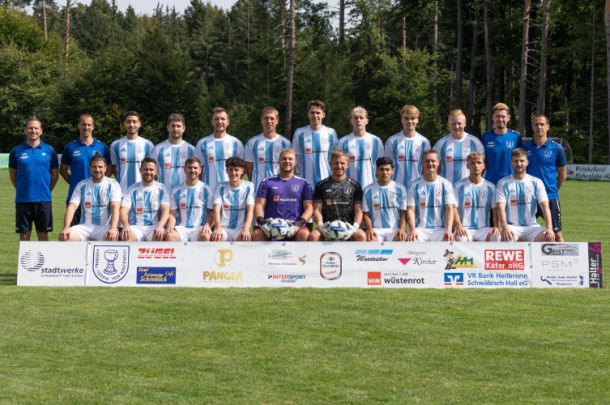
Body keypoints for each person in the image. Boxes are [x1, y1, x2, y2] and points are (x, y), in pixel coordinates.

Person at [9, 117, 59, 241]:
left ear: (41, 131)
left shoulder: (50, 150)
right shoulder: (16, 151)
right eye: (30, 128)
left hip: (43, 200)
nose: (33, 131)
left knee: (43, 236)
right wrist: (22, 189)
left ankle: (44, 256)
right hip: (23, 200)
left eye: (36, 128)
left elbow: (55, 176)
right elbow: (13, 176)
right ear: (25, 130)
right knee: (24, 236)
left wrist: (46, 190)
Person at [59, 114, 110, 225]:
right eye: (83, 124)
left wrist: (101, 182)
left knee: (98, 230)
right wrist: (74, 182)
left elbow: (109, 169)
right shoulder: (70, 147)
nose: (86, 127)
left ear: (93, 127)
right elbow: (62, 170)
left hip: (98, 197)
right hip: (76, 196)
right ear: (78, 126)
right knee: (72, 231)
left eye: (89, 125)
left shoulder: (102, 147)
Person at [252, 148, 313, 241]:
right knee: (257, 233)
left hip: (294, 227)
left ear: (295, 162)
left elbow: (309, 207)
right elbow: (259, 205)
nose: (287, 161)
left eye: (290, 159)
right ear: (278, 161)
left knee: (304, 234)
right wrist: (262, 222)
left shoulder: (304, 183)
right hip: (271, 227)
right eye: (284, 159)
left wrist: (299, 223)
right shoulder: (267, 182)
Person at [524, 114, 567, 242]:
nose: (539, 127)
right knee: (522, 231)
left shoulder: (556, 148)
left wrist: (554, 189)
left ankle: (562, 254)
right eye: (536, 124)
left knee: (557, 233)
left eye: (542, 124)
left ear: (547, 126)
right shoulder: (525, 148)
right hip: (529, 197)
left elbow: (562, 173)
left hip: (550, 196)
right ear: (533, 127)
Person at [495, 148, 555, 242]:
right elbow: (500, 208)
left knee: (548, 238)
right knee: (503, 238)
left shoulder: (536, 182)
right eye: (516, 161)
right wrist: (505, 227)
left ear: (527, 162)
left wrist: (549, 228)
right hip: (511, 226)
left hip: (532, 227)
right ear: (511, 163)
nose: (519, 164)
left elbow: (545, 207)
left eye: (522, 161)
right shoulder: (503, 183)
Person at [59, 154, 121, 241]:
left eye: (100, 167)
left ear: (105, 168)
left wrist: (113, 228)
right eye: (94, 167)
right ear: (90, 168)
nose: (97, 169)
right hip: (84, 227)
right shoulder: (82, 185)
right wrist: (66, 227)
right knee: (66, 237)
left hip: (104, 227)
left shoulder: (113, 184)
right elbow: (72, 207)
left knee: (111, 236)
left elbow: (115, 207)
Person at [309, 150, 366, 241]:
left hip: (349, 227)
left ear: (347, 164)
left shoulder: (355, 186)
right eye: (336, 163)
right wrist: (320, 225)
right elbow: (317, 210)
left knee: (361, 235)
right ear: (330, 164)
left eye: (342, 163)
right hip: (327, 227)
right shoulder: (321, 185)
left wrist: (355, 227)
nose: (339, 166)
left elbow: (358, 211)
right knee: (314, 236)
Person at [406, 149, 456, 242]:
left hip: (440, 229)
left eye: (433, 161)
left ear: (438, 163)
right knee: (412, 239)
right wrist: (412, 230)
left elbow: (449, 208)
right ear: (422, 163)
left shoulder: (446, 184)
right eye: (427, 161)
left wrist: (449, 230)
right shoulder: (414, 185)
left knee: (448, 239)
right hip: (420, 229)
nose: (430, 163)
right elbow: (411, 210)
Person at [333, 106, 384, 190]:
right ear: (351, 120)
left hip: (372, 187)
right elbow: (337, 165)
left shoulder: (376, 141)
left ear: (367, 120)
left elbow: (382, 165)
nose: (358, 120)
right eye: (355, 118)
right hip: (348, 188)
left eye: (361, 118)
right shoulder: (343, 142)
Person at [119, 158, 170, 241]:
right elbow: (123, 210)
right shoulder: (132, 189)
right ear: (140, 170)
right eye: (145, 169)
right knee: (126, 236)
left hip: (154, 226)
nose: (148, 172)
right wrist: (126, 226)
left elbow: (165, 210)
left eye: (151, 170)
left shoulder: (162, 188)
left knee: (159, 236)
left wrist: (160, 226)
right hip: (136, 227)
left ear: (156, 171)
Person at [453, 152, 500, 241]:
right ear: (468, 166)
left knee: (496, 237)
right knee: (462, 239)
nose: (476, 166)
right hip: (464, 228)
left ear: (484, 165)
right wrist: (458, 226)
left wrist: (496, 226)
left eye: (479, 163)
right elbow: (454, 209)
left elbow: (495, 210)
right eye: (472, 163)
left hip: (483, 229)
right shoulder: (458, 186)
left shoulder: (491, 187)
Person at [195, 107, 245, 192]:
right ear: (212, 122)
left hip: (230, 191)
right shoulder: (202, 143)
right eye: (216, 119)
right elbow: (198, 170)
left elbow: (242, 169)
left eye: (223, 119)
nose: (220, 121)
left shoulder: (236, 143)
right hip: (208, 191)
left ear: (228, 122)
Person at [165, 157, 214, 242]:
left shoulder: (207, 190)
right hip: (181, 228)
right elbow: (173, 213)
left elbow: (212, 212)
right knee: (170, 236)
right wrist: (170, 226)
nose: (192, 170)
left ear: (200, 170)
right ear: (184, 169)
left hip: (199, 227)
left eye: (195, 168)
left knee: (205, 236)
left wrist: (208, 225)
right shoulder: (176, 190)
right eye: (189, 168)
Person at [384, 104, 431, 191]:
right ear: (401, 119)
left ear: (417, 120)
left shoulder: (424, 142)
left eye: (413, 118)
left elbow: (427, 167)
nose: (409, 121)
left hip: (418, 188)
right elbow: (386, 166)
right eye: (406, 118)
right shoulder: (392, 141)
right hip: (395, 188)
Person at [244, 106, 291, 192]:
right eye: (266, 118)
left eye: (272, 118)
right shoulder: (252, 143)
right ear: (261, 120)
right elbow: (249, 168)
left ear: (277, 121)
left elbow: (289, 167)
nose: (269, 121)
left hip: (280, 189)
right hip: (258, 189)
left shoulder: (286, 143)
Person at [293, 100, 338, 188]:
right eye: (312, 113)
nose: (315, 115)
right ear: (308, 114)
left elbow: (335, 157)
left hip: (327, 182)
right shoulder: (299, 133)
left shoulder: (331, 133)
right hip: (305, 182)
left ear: (323, 114)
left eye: (318, 113)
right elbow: (296, 157)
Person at [362, 157, 408, 241]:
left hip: (395, 230)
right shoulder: (368, 190)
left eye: (387, 170)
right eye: (382, 169)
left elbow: (403, 213)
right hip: (376, 230)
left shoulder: (401, 188)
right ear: (377, 171)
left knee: (402, 240)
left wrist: (402, 229)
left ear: (392, 171)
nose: (385, 172)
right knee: (370, 240)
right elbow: (366, 214)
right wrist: (370, 229)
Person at [433, 109, 484, 185]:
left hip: (469, 188)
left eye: (459, 123)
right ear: (448, 125)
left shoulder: (475, 142)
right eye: (453, 124)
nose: (456, 126)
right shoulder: (441, 143)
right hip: (447, 188)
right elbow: (435, 167)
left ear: (465, 124)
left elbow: (483, 166)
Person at [109, 111, 155, 194]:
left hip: (142, 192)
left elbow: (152, 169)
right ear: (124, 124)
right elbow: (114, 168)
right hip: (122, 192)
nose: (131, 125)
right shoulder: (115, 145)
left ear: (139, 124)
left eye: (134, 122)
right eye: (128, 122)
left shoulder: (148, 145)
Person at [211, 157, 255, 241]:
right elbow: (216, 209)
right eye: (230, 170)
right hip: (223, 228)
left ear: (242, 171)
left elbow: (250, 209)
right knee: (217, 237)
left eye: (236, 170)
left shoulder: (249, 186)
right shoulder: (220, 187)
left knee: (245, 238)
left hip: (240, 229)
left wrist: (246, 229)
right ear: (226, 171)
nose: (233, 173)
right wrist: (218, 228)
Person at [152, 113, 195, 194]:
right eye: (173, 126)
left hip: (185, 193)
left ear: (184, 128)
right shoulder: (158, 149)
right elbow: (152, 172)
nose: (175, 129)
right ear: (168, 128)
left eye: (178, 126)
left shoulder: (192, 150)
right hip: (163, 194)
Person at [482, 103, 523, 184]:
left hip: (511, 183)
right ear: (493, 117)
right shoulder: (486, 137)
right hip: (491, 183)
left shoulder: (516, 137)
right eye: (497, 116)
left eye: (503, 116)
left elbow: (521, 161)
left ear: (508, 118)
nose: (500, 119)